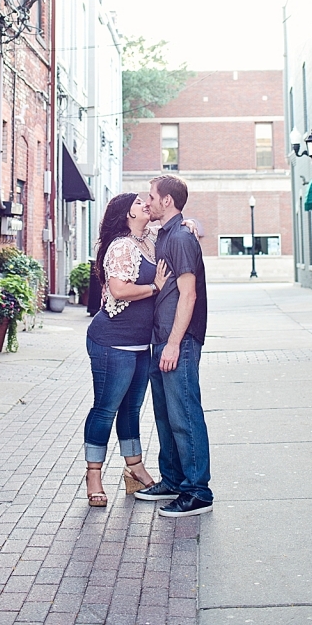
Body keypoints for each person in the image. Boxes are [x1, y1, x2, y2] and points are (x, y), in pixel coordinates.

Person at [83, 192, 170, 506]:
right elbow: (118, 290)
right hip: (111, 341)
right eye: (137, 203)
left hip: (139, 343)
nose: (145, 204)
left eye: (146, 200)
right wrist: (154, 287)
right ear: (126, 214)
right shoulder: (122, 246)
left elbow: (171, 225)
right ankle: (94, 475)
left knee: (131, 410)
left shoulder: (147, 240)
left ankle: (134, 469)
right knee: (105, 409)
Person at [135, 174, 213, 517]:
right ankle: (173, 479)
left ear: (167, 200)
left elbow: (189, 294)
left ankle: (198, 491)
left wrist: (173, 344)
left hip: (177, 340)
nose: (147, 201)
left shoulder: (180, 237)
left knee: (184, 414)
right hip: (161, 339)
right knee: (166, 416)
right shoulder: (167, 233)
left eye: (151, 196)